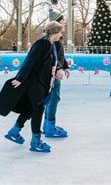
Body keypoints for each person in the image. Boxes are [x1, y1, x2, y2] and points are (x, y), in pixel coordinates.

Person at [0, 21, 64, 153]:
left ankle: (14, 131)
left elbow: (51, 61)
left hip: (42, 83)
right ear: (54, 32)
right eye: (60, 32)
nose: (61, 34)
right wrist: (20, 79)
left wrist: (58, 69)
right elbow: (30, 61)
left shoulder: (51, 44)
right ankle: (36, 141)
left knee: (30, 108)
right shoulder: (42, 44)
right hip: (34, 83)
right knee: (38, 109)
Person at [43, 9, 71, 138]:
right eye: (62, 21)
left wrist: (65, 66)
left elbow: (60, 56)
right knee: (54, 98)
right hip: (53, 73)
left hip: (55, 71)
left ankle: (47, 125)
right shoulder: (53, 39)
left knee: (51, 99)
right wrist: (59, 68)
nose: (64, 23)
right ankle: (50, 126)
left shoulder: (58, 38)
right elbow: (52, 57)